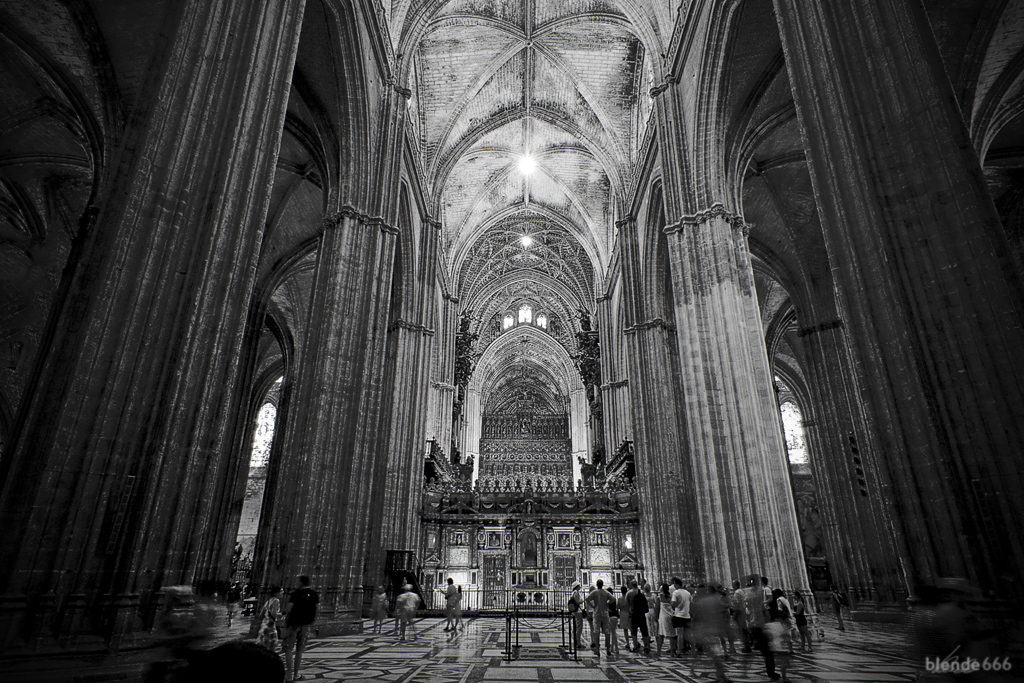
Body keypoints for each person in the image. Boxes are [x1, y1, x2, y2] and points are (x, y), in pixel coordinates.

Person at [282, 575, 319, 683]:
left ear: (301, 582)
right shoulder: (314, 594)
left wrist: (285, 620)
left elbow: (289, 609)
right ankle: (296, 674)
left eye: (297, 581)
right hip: (306, 625)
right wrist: (312, 621)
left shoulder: (296, 594)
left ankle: (289, 675)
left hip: (294, 624)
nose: (296, 583)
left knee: (288, 648)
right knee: (300, 650)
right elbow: (318, 609)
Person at [692, 584, 731, 683]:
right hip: (714, 628)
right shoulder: (716, 599)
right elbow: (724, 607)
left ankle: (719, 673)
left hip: (706, 629)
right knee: (713, 653)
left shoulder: (702, 602)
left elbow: (697, 616)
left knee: (711, 653)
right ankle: (720, 674)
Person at [745, 576, 778, 680]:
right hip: (759, 624)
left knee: (767, 650)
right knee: (768, 650)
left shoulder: (753, 595)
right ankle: (771, 671)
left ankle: (771, 670)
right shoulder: (757, 594)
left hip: (756, 624)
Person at [767, 588, 793, 682]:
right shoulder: (780, 613)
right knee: (782, 659)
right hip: (781, 640)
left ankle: (776, 674)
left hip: (775, 641)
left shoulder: (770, 614)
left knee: (776, 658)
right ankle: (784, 676)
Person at [586, 579, 614, 655]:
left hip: (597, 613)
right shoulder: (605, 592)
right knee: (607, 631)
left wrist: (593, 606)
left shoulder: (595, 592)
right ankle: (608, 649)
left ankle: (597, 650)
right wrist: (607, 604)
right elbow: (613, 599)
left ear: (596, 584)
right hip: (605, 613)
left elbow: (587, 598)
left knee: (596, 631)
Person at [670, 577, 692, 655]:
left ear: (677, 584)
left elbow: (673, 604)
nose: (674, 586)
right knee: (688, 634)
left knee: (679, 634)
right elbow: (690, 603)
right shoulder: (688, 593)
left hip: (679, 615)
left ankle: (679, 651)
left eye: (674, 584)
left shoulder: (676, 592)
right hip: (687, 615)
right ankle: (691, 650)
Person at [258, 586, 284, 652]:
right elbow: (274, 614)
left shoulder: (269, 600)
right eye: (281, 591)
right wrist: (282, 614)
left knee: (263, 643)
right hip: (270, 625)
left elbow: (261, 613)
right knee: (272, 644)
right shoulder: (276, 601)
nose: (282, 593)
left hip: (264, 624)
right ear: (275, 593)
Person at [656, 583, 673, 656]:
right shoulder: (671, 597)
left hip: (662, 616)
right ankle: (672, 651)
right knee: (672, 634)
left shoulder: (659, 597)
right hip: (670, 616)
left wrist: (656, 617)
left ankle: (659, 651)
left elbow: (657, 608)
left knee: (661, 634)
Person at [568, 582, 585, 649]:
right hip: (578, 611)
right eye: (579, 586)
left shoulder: (573, 593)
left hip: (575, 611)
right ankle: (578, 642)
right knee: (579, 627)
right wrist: (583, 600)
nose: (580, 587)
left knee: (576, 627)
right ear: (577, 586)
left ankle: (576, 641)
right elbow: (578, 601)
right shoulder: (576, 593)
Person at [617, 586, 632, 652]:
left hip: (622, 614)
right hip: (628, 613)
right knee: (631, 628)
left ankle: (628, 643)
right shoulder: (628, 598)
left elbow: (618, 607)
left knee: (625, 630)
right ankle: (635, 642)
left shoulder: (620, 598)